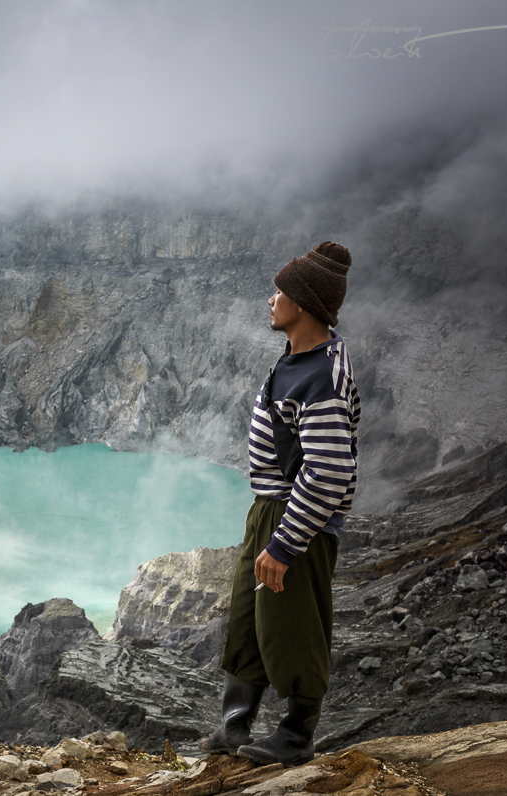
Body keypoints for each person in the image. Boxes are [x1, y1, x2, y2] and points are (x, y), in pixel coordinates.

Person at [199, 241, 360, 766]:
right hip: (269, 508)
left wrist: (286, 544)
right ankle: (234, 728)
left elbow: (329, 471)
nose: (271, 300)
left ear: (306, 304)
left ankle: (295, 736)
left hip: (299, 518)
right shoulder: (298, 359)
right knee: (250, 619)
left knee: (292, 626)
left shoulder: (322, 377)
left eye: (281, 292)